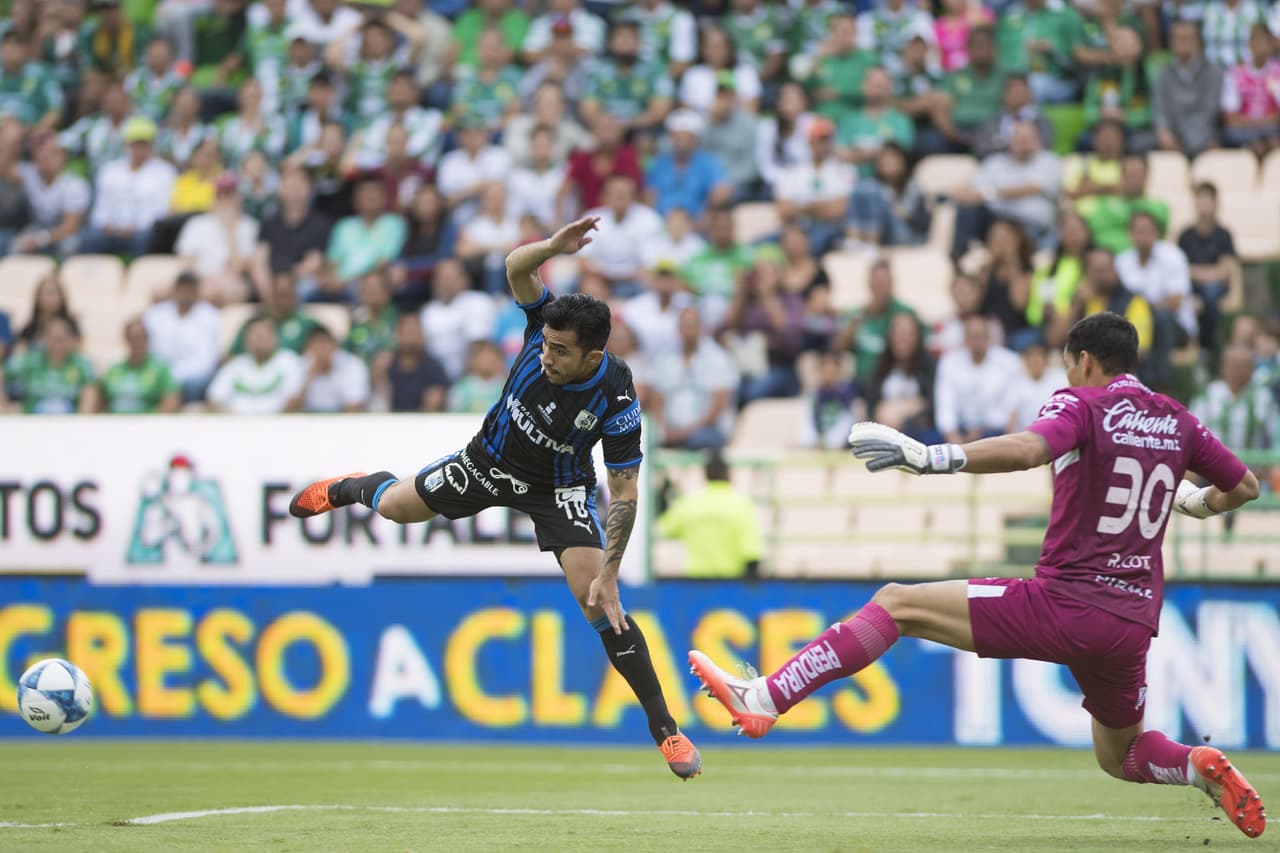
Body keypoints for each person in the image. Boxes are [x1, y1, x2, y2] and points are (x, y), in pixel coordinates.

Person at [689, 312, 1267, 843]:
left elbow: (1024, 449)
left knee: (895, 604)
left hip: (1064, 603)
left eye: (1068, 364)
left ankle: (765, 696)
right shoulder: (1178, 420)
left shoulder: (1082, 405)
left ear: (1085, 360)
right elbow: (1245, 487)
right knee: (1123, 756)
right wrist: (1193, 505)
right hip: (1131, 624)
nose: (1067, 374)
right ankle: (1195, 765)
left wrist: (930, 458)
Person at [288, 216, 701, 781]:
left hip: (559, 490)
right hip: (487, 462)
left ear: (593, 354)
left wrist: (610, 569)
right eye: (546, 344)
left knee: (600, 600)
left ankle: (666, 730)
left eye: (560, 351)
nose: (546, 356)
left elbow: (625, 492)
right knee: (394, 509)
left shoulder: (618, 399)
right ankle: (349, 486)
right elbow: (515, 268)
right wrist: (552, 247)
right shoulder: (540, 329)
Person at [657, 451, 761, 578]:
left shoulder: (689, 503)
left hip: (697, 583)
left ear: (705, 475)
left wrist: (662, 499)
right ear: (728, 473)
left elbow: (665, 529)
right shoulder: (741, 504)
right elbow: (751, 552)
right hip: (731, 583)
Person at [92, 319, 182, 414]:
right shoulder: (114, 369)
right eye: (133, 338)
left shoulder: (161, 369)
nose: (137, 342)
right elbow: (100, 399)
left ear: (147, 339)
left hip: (146, 424)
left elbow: (171, 399)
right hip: (114, 423)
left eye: (141, 338)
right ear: (126, 340)